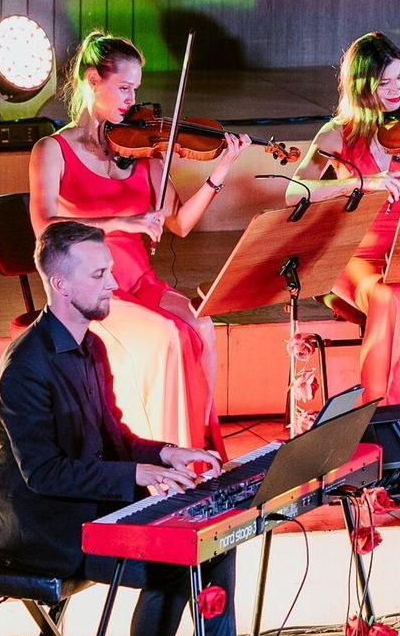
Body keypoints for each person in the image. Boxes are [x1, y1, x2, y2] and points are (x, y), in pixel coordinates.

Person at [0, 221, 277, 636]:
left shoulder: (92, 347)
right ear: (60, 284)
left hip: (88, 501)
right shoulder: (24, 367)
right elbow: (43, 473)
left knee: (213, 536)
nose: (114, 284)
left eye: (110, 272)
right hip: (42, 527)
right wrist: (137, 474)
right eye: (99, 275)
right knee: (171, 559)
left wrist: (166, 452)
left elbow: (114, 438)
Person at [29, 31, 247, 450]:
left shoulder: (145, 150)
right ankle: (167, 457)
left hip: (140, 280)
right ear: (93, 80)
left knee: (202, 326)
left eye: (136, 90)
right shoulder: (51, 149)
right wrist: (124, 221)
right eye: (124, 88)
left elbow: (179, 223)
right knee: (168, 337)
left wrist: (220, 172)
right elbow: (45, 226)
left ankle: (199, 447)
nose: (132, 100)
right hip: (91, 288)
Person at [289, 32, 400, 405]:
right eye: (384, 82)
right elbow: (295, 191)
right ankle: (377, 409)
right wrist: (361, 183)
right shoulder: (337, 134)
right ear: (361, 86)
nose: (397, 89)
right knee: (386, 295)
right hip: (356, 255)